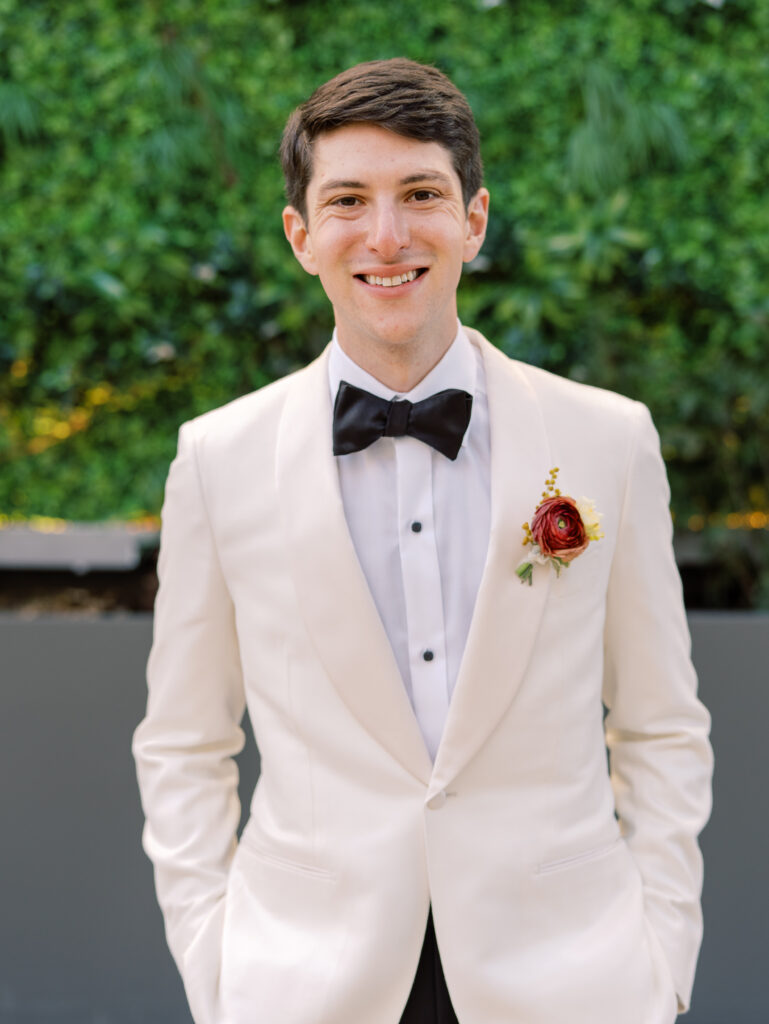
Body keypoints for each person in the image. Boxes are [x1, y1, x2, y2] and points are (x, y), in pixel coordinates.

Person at [133, 58, 713, 1024]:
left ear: (473, 220)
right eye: (348, 201)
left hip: (572, 983)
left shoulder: (607, 439)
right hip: (303, 986)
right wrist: (214, 963)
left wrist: (662, 959)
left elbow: (660, 724)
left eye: (421, 195)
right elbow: (185, 742)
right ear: (300, 236)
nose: (387, 235)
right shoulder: (216, 458)